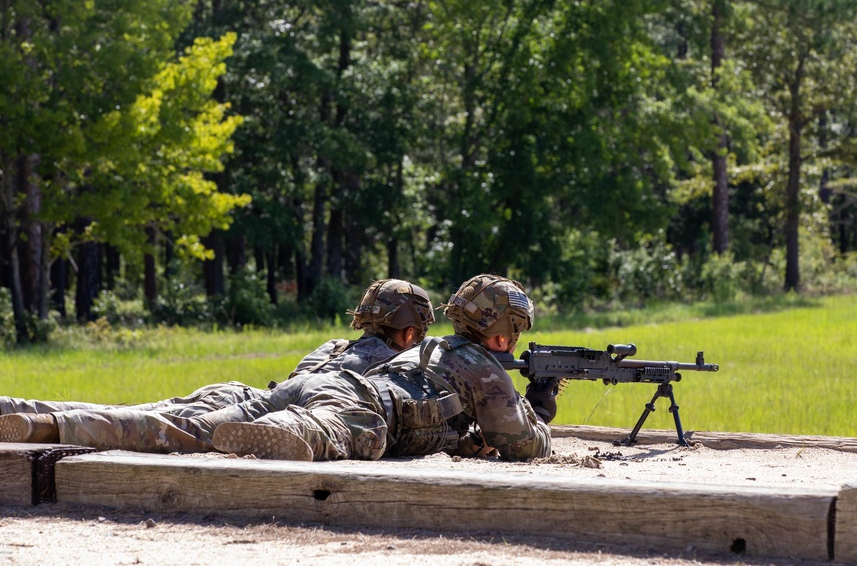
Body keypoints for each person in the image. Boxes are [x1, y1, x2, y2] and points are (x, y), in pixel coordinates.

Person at [1, 274, 554, 463]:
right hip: (356, 403)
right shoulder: (482, 367)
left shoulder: (424, 350)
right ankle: (273, 435)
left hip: (305, 386)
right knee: (326, 430)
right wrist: (543, 410)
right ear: (500, 328)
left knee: (168, 420)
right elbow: (523, 443)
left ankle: (45, 420)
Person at [0, 278, 435, 447]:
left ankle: (27, 410)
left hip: (247, 394)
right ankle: (50, 429)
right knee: (173, 433)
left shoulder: (333, 345)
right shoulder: (410, 360)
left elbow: (293, 381)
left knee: (145, 412)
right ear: (411, 332)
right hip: (293, 411)